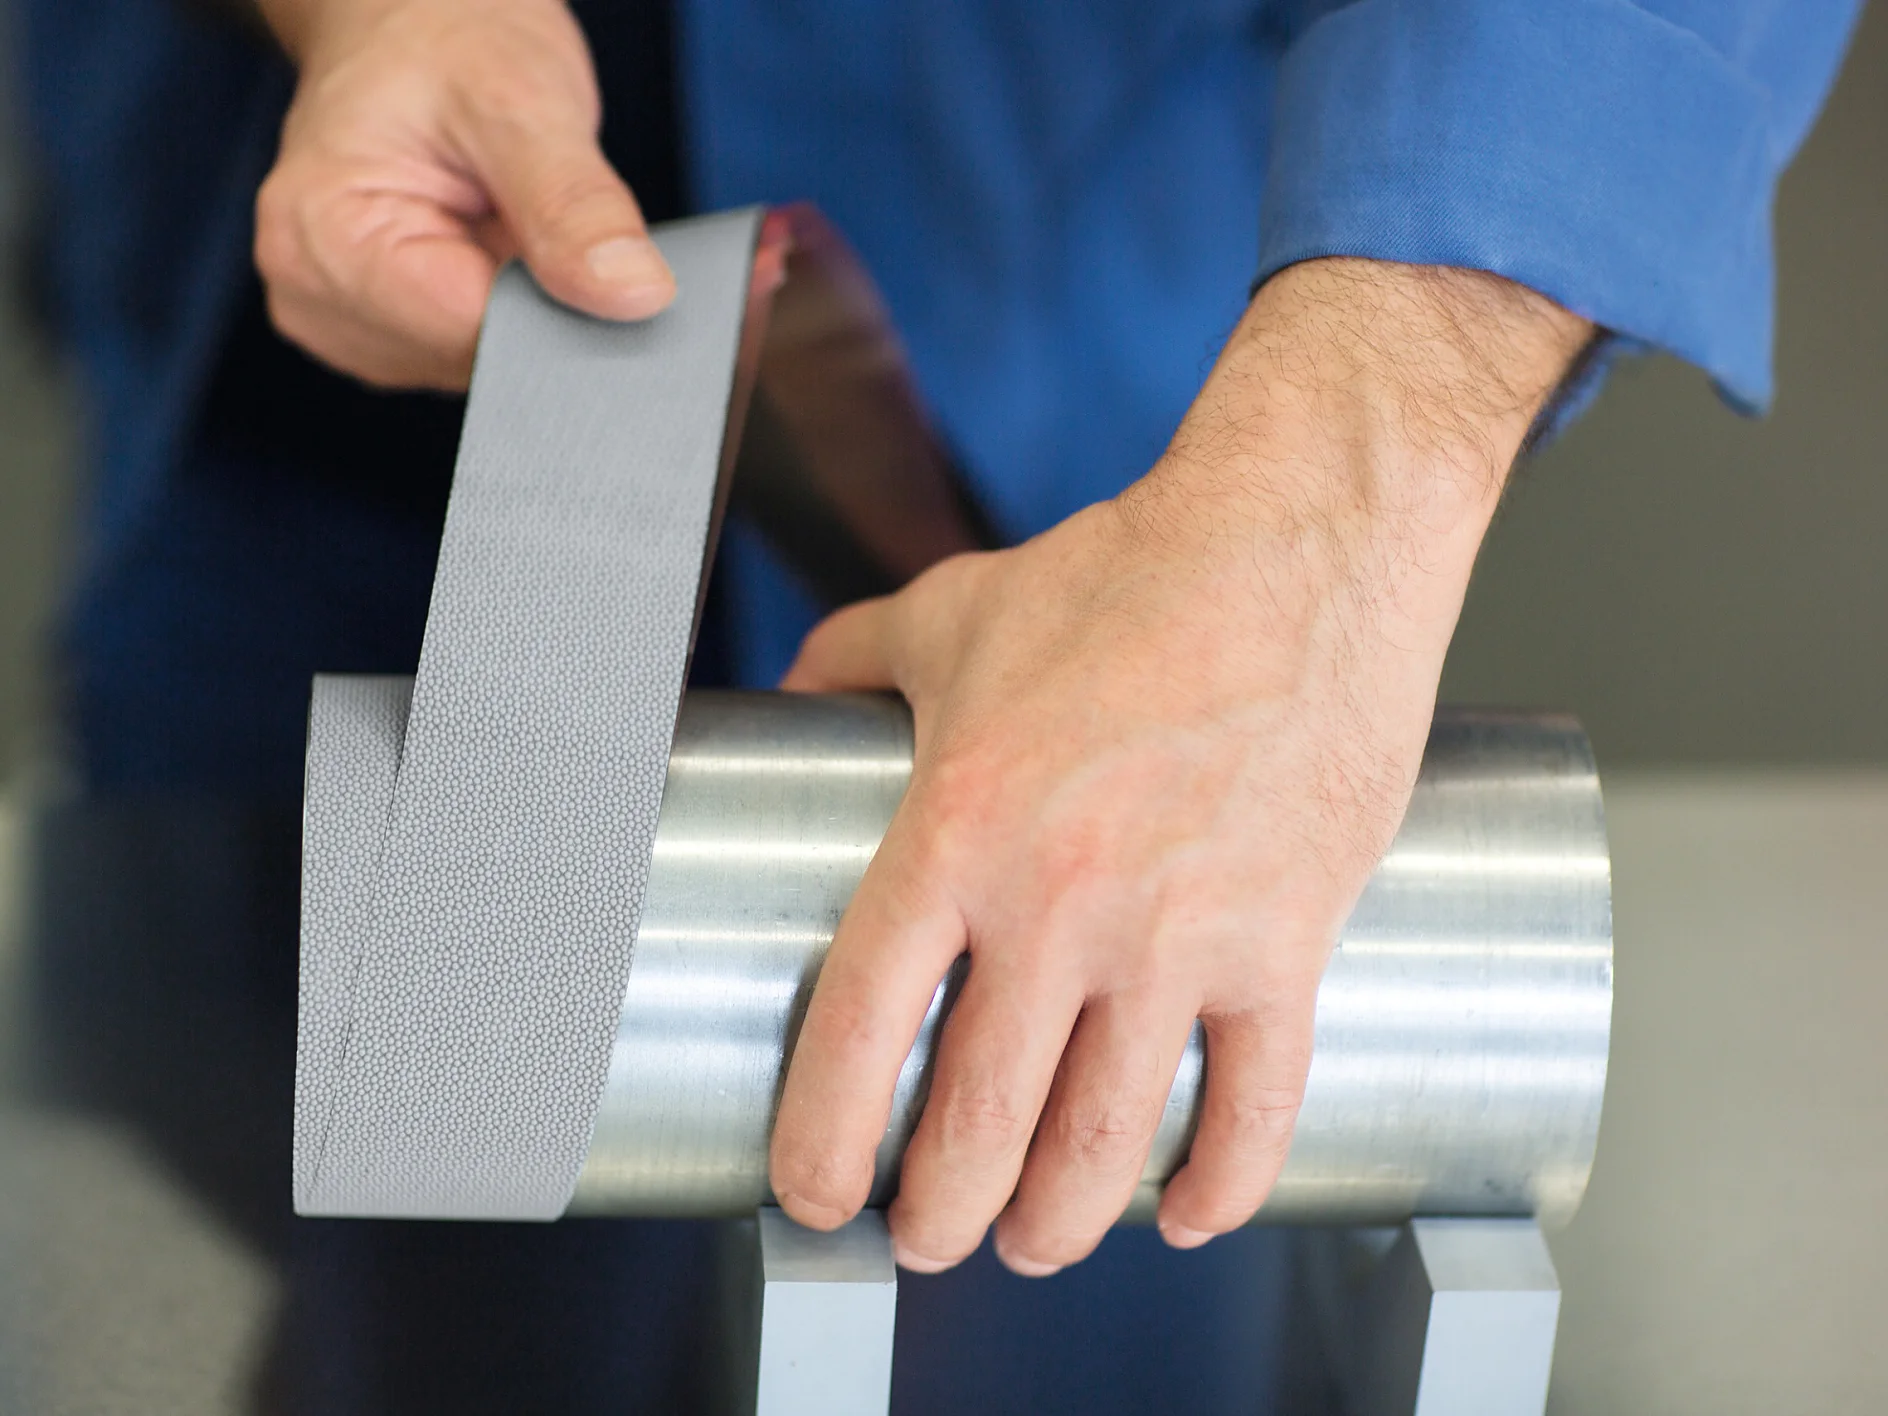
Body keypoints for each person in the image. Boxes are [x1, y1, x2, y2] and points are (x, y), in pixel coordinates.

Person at [15, 0, 1861, 1410]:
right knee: (392, 1250)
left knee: (1078, 1242)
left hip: (1114, 351)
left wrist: (1337, 491)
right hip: (359, 331)